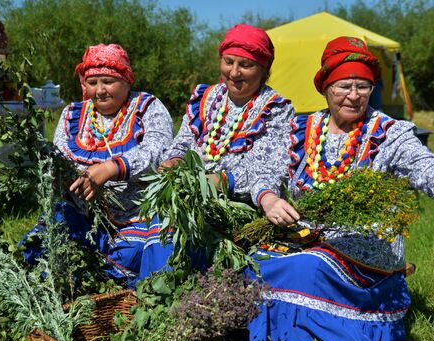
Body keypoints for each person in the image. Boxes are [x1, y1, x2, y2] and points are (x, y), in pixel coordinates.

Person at [247, 36, 434, 341]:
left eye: (363, 86)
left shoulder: (387, 133)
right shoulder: (300, 129)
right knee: (256, 261)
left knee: (310, 267)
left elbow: (423, 165)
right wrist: (268, 197)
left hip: (367, 252)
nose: (354, 95)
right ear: (326, 88)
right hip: (304, 238)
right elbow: (262, 171)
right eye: (345, 86)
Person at [20, 44, 174, 288]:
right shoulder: (73, 114)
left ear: (126, 80)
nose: (100, 91)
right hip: (81, 213)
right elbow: (59, 159)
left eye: (108, 81)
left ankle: (111, 298)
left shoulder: (147, 107)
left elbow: (159, 153)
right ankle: (67, 294)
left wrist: (111, 169)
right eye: (92, 82)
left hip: (134, 216)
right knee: (38, 245)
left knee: (127, 257)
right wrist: (69, 179)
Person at [162, 24, 294, 222]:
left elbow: (267, 169)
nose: (234, 72)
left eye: (246, 65)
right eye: (228, 62)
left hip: (240, 209)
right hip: (189, 198)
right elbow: (183, 142)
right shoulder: (204, 98)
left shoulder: (276, 109)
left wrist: (216, 182)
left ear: (263, 70)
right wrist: (174, 161)